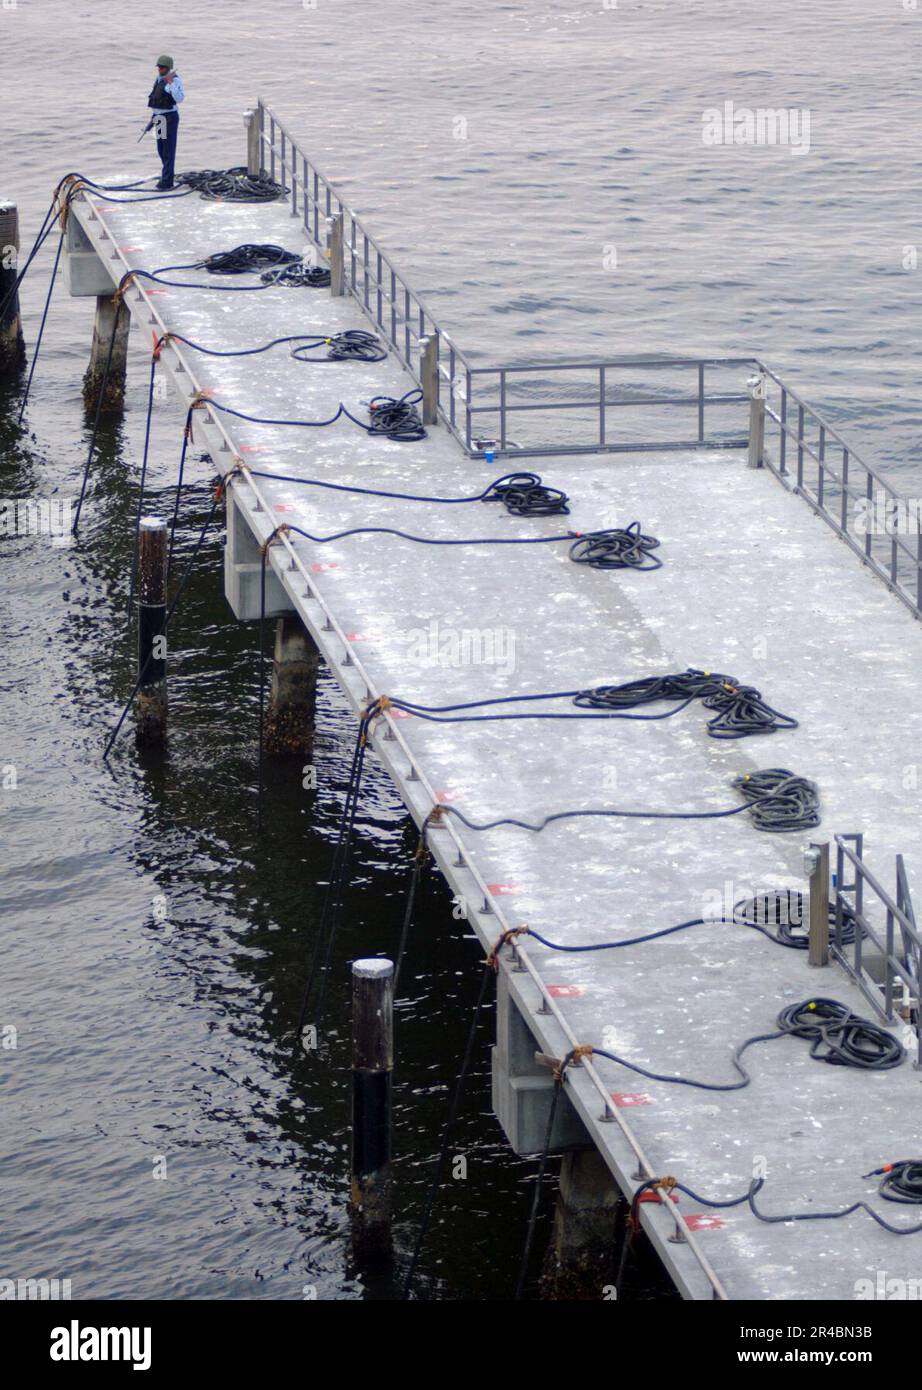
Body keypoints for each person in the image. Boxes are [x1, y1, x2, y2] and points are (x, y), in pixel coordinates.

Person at [147, 54, 185, 190]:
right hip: (159, 118)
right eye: (159, 67)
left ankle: (167, 181)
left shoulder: (175, 81)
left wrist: (170, 83)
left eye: (162, 67)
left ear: (168, 68)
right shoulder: (158, 79)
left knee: (168, 150)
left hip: (169, 118)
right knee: (161, 149)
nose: (159, 69)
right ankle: (166, 174)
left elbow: (180, 98)